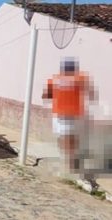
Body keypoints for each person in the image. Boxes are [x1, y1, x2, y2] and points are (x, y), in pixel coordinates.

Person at [42, 57, 97, 190]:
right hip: (76, 114)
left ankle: (69, 163)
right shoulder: (81, 78)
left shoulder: (54, 79)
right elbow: (91, 93)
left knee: (64, 140)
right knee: (74, 141)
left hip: (60, 115)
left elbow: (46, 95)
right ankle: (73, 164)